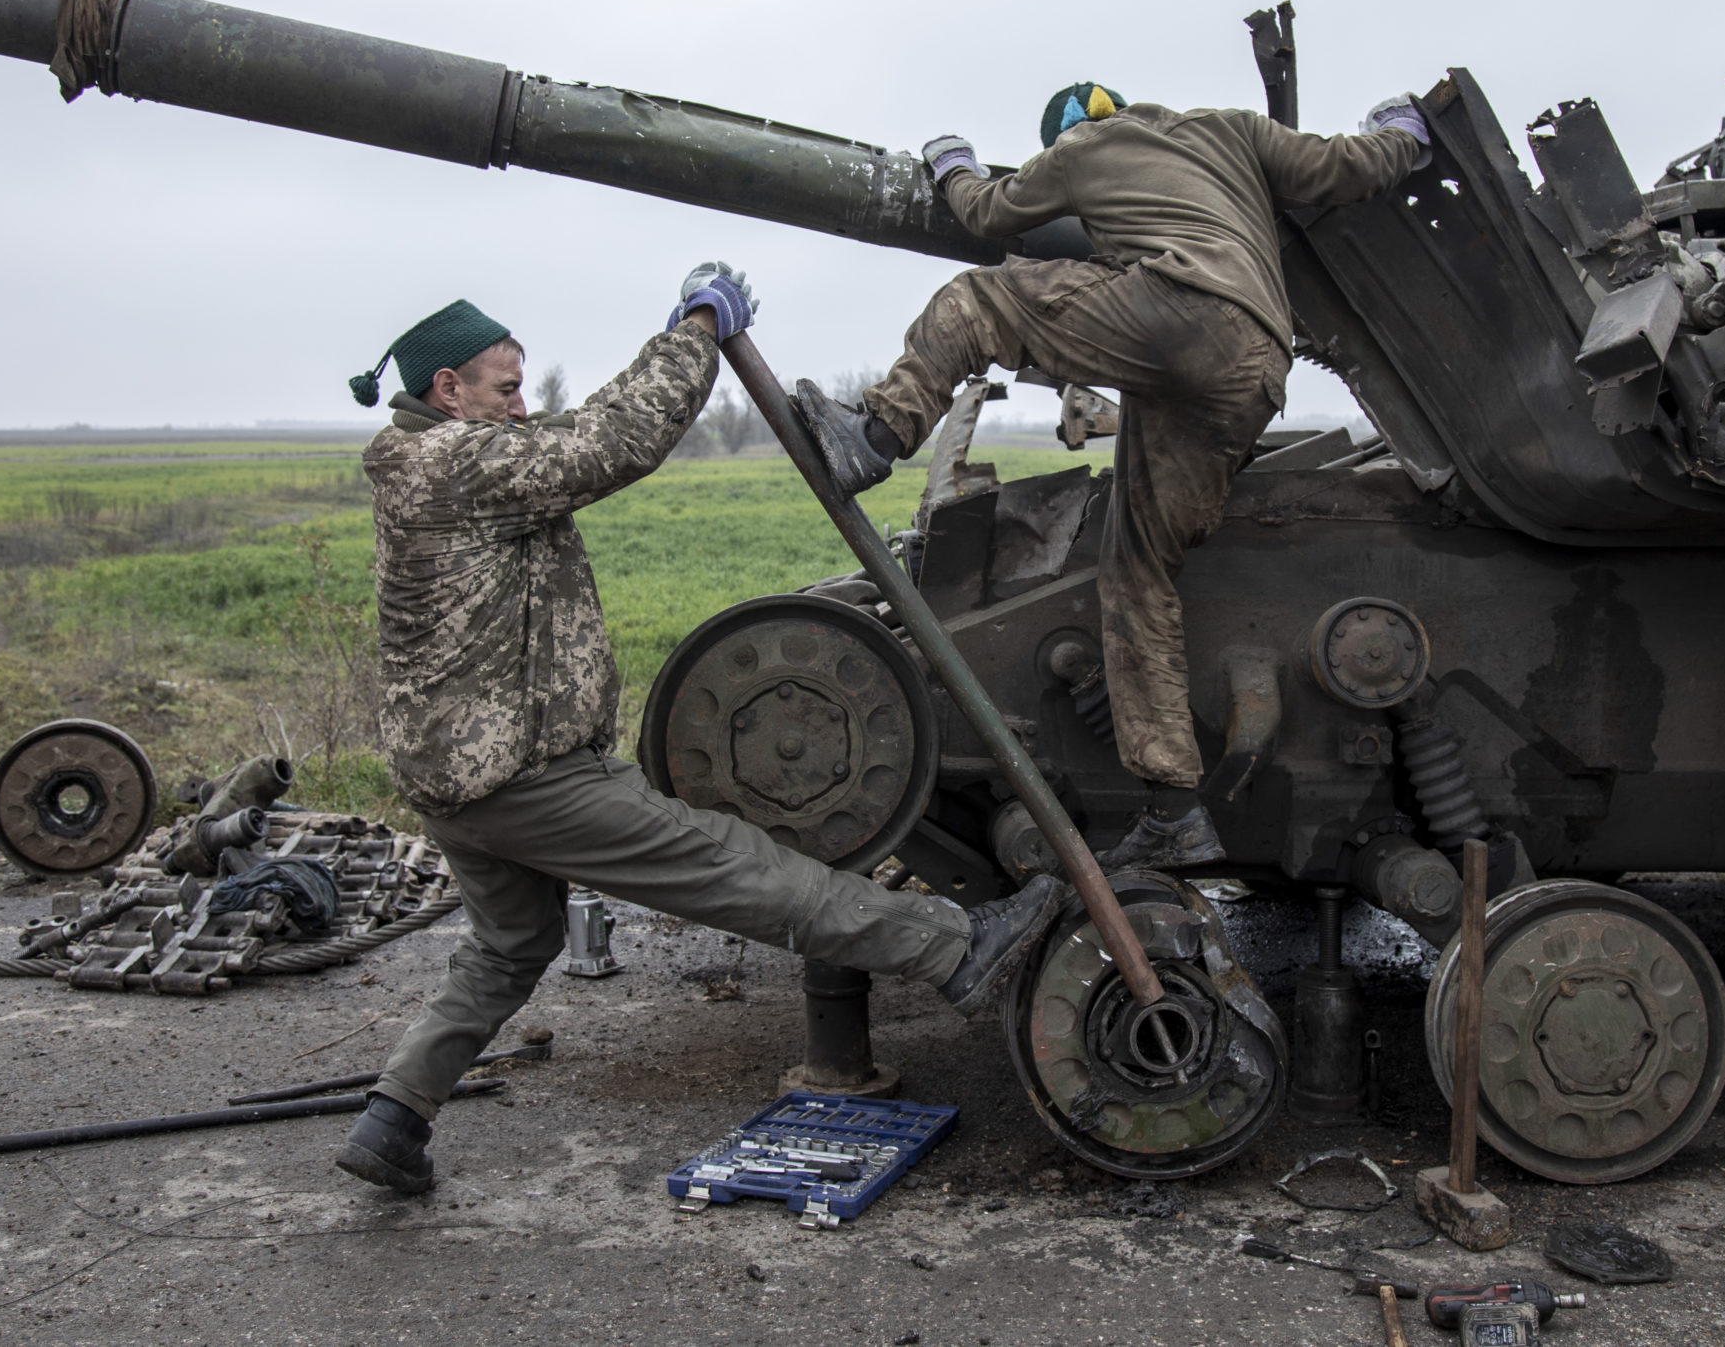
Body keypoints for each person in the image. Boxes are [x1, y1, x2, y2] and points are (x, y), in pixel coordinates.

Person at [334, 273, 1065, 1195]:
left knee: (509, 942)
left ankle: (394, 1116)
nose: (522, 406)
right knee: (737, 866)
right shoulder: (458, 464)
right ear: (448, 392)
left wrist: (668, 341)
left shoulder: (441, 457)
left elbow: (583, 426)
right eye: (505, 387)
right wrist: (698, 331)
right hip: (520, 778)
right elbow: (612, 440)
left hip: (457, 779)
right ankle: (958, 947)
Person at [795, 85, 1431, 872]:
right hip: (1260, 365)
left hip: (1179, 317)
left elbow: (990, 216)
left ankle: (876, 432)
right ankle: (1174, 813)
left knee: (977, 302)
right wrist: (1402, 132)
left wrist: (951, 163)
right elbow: (1348, 165)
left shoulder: (1082, 150)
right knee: (1138, 574)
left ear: (1067, 132)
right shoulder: (1228, 130)